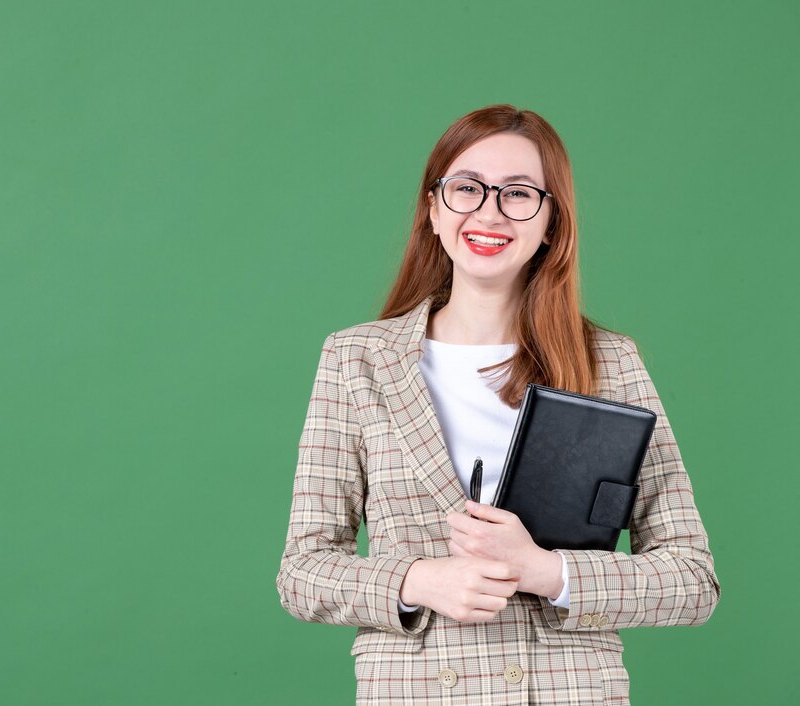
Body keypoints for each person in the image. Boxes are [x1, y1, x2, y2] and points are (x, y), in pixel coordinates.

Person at [275, 104, 719, 705]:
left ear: (551, 222)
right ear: (433, 210)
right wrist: (419, 579)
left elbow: (692, 580)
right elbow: (302, 571)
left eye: (518, 193)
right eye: (466, 188)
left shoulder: (608, 363)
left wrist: (543, 571)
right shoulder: (358, 361)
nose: (489, 211)